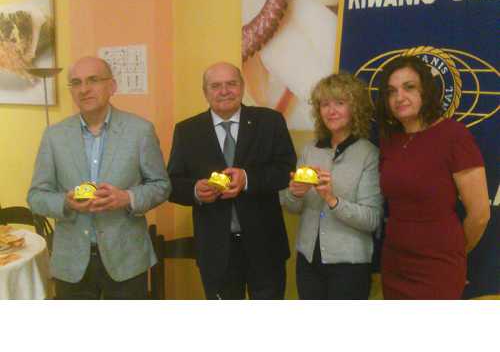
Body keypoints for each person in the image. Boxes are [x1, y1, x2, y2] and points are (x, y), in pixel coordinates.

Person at [27, 56, 171, 299]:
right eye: (76, 82)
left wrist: (127, 198)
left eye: (93, 80)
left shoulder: (140, 131)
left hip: (126, 258)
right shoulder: (54, 136)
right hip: (71, 260)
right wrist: (65, 203)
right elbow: (36, 196)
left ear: (111, 86)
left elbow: (161, 186)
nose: (84, 89)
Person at [167, 62, 296, 299]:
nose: (224, 91)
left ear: (242, 87)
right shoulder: (187, 131)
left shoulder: (270, 121)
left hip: (265, 247)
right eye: (216, 86)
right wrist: (195, 190)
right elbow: (172, 184)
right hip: (215, 251)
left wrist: (247, 179)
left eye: (231, 84)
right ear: (205, 92)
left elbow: (285, 170)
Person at [376, 55, 490, 299]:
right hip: (394, 263)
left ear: (426, 91)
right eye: (391, 91)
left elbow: (480, 214)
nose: (399, 97)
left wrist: (454, 252)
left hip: (438, 267)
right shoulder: (390, 140)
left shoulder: (453, 135)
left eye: (409, 87)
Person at [281, 73, 382, 299]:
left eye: (339, 103)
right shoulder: (310, 150)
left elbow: (372, 219)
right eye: (325, 104)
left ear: (355, 108)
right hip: (308, 261)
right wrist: (295, 194)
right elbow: (291, 206)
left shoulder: (369, 154)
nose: (331, 111)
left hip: (350, 266)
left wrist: (332, 200)